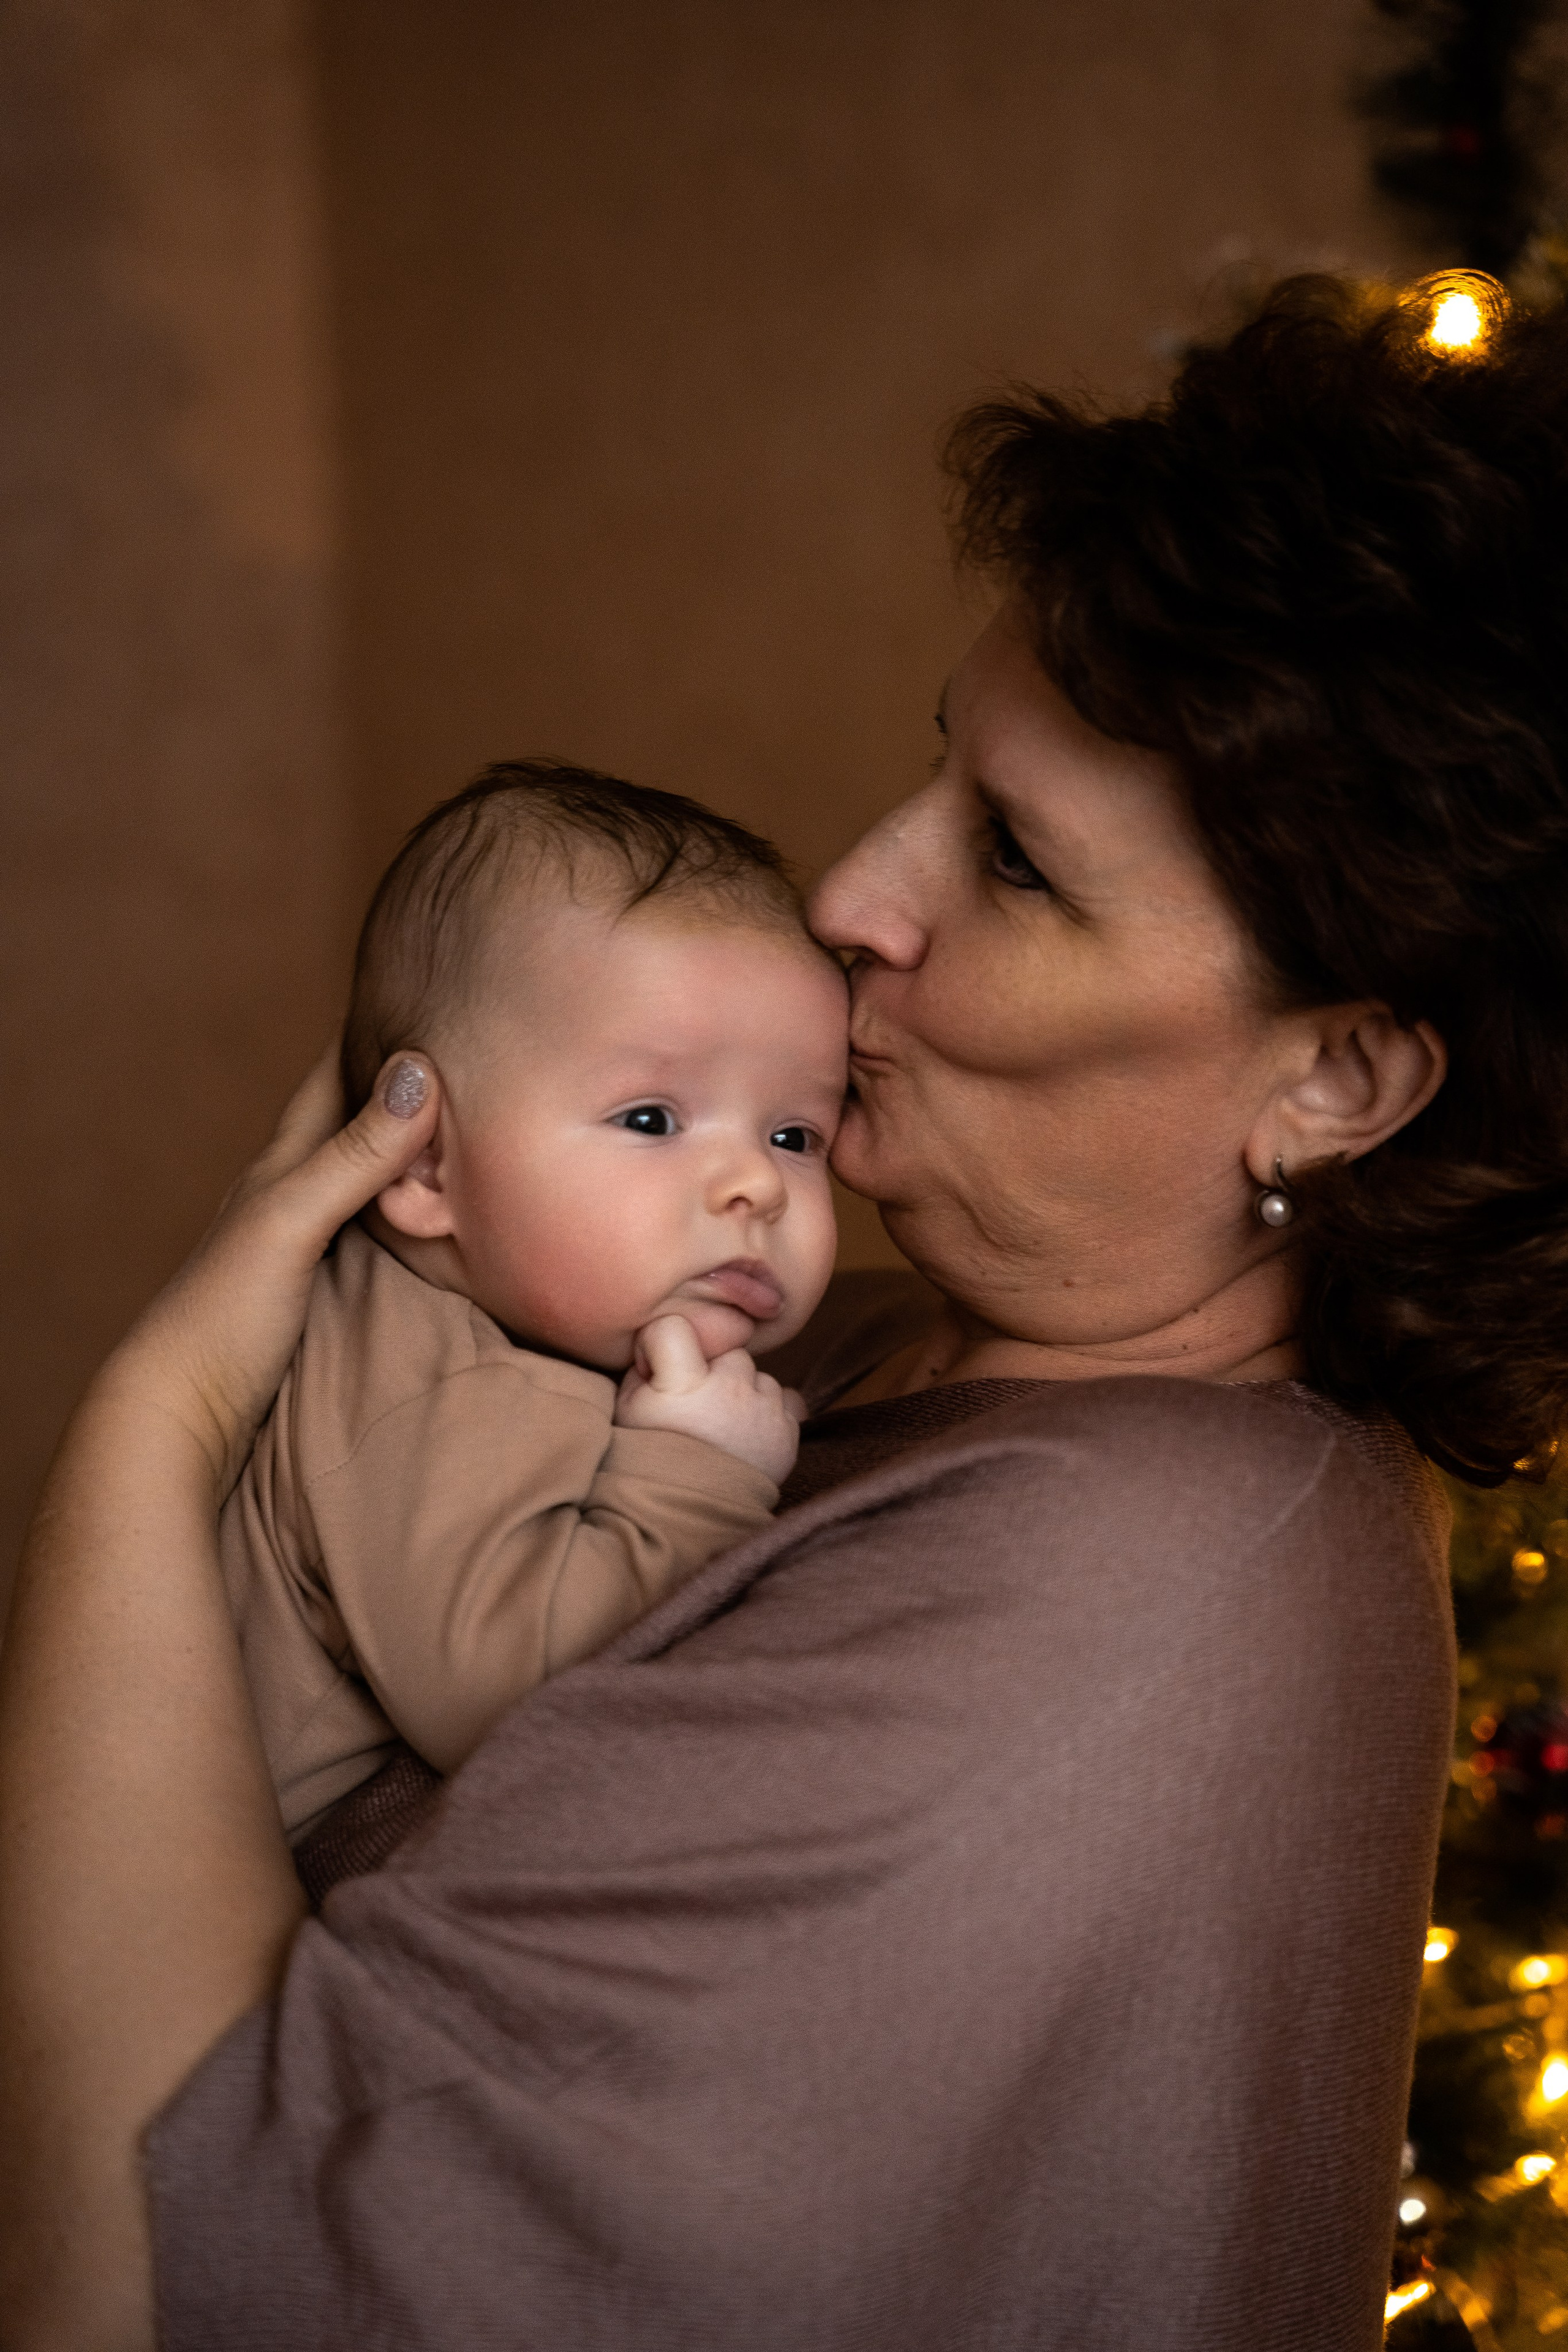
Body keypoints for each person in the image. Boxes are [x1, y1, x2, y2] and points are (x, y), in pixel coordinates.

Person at [5, 270, 1565, 2350]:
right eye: (941, 772)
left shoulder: (1117, 1597)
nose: (853, 893)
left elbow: (148, 2273)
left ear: (1341, 1076)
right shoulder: (834, 1344)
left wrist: (156, 1412)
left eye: (1013, 860)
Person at [222, 760, 846, 1839]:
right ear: (424, 1169)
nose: (755, 1186)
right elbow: (518, 1710)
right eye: (652, 1120)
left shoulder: (499, 1332)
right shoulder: (432, 1384)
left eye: (796, 1136)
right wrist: (698, 1478)